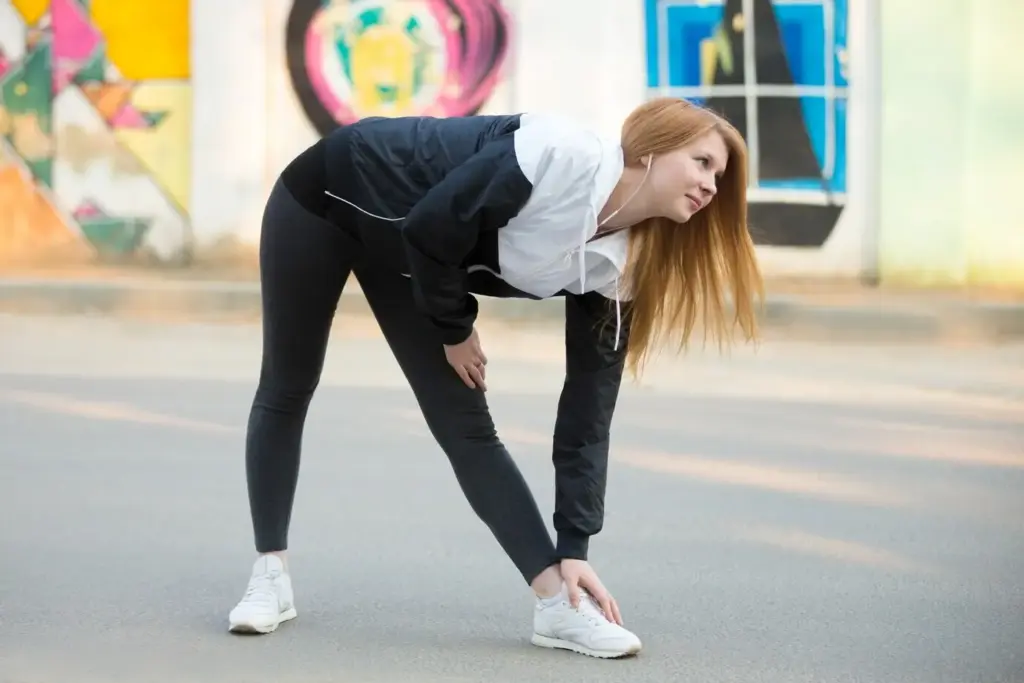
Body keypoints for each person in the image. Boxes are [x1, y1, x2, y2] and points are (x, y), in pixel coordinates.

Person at [226, 96, 764, 659]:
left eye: (720, 176)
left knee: (467, 426)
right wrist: (455, 329)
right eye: (703, 162)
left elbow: (589, 409)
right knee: (287, 385)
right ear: (653, 148)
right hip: (327, 197)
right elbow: (435, 225)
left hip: (412, 257)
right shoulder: (558, 156)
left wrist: (574, 545)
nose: (711, 186)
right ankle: (270, 575)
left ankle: (558, 603)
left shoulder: (619, 266)